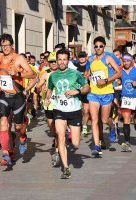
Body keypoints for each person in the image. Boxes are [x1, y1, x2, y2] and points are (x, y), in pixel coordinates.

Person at [45, 49, 89, 179]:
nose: (62, 62)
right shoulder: (53, 76)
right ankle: (66, 168)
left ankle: (70, 138)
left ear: (68, 60)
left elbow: (87, 87)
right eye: (60, 59)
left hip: (74, 111)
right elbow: (50, 89)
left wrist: (77, 91)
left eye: (64, 59)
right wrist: (47, 98)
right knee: (60, 135)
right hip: (59, 110)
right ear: (57, 61)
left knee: (75, 143)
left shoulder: (75, 74)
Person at [0, 33, 36, 166]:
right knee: (3, 123)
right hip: (4, 95)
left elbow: (33, 74)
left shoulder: (19, 58)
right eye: (3, 46)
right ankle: (6, 153)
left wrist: (18, 73)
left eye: (7, 45)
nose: (5, 48)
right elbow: (0, 72)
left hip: (17, 96)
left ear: (12, 45)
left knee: (18, 127)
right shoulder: (0, 57)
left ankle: (23, 136)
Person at [86, 36, 121, 156]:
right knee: (94, 120)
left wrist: (106, 80)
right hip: (93, 93)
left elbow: (119, 73)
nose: (98, 48)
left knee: (105, 120)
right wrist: (88, 77)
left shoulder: (108, 58)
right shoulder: (90, 59)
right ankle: (96, 146)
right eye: (96, 46)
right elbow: (87, 73)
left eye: (100, 46)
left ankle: (112, 127)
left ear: (104, 46)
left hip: (106, 92)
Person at [36, 51, 59, 166]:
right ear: (48, 63)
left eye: (55, 61)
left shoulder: (63, 72)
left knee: (59, 128)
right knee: (52, 127)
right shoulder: (45, 73)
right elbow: (38, 86)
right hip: (49, 103)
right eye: (51, 62)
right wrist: (41, 88)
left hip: (60, 104)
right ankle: (56, 138)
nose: (54, 63)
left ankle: (58, 149)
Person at [119, 53, 136, 152]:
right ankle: (127, 142)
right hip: (125, 98)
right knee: (126, 119)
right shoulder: (120, 70)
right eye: (124, 61)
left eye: (128, 61)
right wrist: (118, 82)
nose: (126, 63)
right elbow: (117, 79)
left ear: (131, 61)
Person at [74, 51, 90, 137]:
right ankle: (78, 124)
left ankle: (84, 126)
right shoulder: (75, 66)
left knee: (86, 110)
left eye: (83, 57)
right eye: (80, 57)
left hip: (87, 90)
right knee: (78, 110)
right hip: (77, 90)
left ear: (86, 57)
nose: (81, 58)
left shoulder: (89, 66)